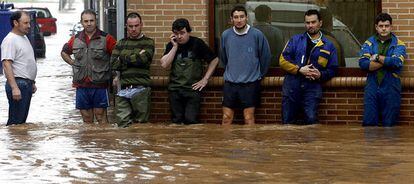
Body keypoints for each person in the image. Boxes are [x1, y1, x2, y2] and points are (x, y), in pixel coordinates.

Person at [280, 9, 338, 125]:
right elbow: (282, 61)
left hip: (312, 89)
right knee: (287, 124)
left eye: (313, 22)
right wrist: (299, 69)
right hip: (292, 87)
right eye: (307, 23)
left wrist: (320, 75)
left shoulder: (328, 45)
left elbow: (333, 69)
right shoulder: (295, 40)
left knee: (311, 122)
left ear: (320, 23)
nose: (310, 25)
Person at [61, 9, 116, 124]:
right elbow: (64, 52)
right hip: (81, 84)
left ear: (96, 21)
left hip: (100, 84)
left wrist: (115, 75)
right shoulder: (75, 39)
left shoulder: (106, 38)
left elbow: (117, 56)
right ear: (82, 23)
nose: (89, 23)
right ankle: (89, 141)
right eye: (86, 21)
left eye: (91, 20)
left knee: (101, 116)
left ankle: (102, 141)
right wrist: (73, 63)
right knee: (86, 119)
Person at [160, 18, 219, 124]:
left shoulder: (197, 43)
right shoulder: (171, 45)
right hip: (175, 90)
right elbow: (164, 64)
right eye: (176, 33)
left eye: (182, 33)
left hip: (192, 90)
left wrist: (205, 79)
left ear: (188, 31)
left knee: (190, 121)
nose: (179, 36)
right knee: (176, 122)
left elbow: (214, 60)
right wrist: (174, 47)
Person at [220, 5, 271, 125]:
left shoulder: (257, 35)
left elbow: (266, 57)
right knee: (226, 117)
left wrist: (259, 75)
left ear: (247, 18)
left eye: (241, 17)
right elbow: (223, 57)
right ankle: (224, 144)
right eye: (236, 17)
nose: (239, 20)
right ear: (231, 19)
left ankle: (249, 144)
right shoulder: (225, 35)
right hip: (230, 83)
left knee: (248, 118)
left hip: (250, 83)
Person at [358, 13, 406, 126]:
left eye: (386, 25)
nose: (384, 28)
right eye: (381, 26)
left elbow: (397, 63)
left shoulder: (399, 44)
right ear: (376, 27)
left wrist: (377, 57)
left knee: (390, 126)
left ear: (391, 27)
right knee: (369, 124)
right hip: (372, 85)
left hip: (391, 86)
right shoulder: (368, 43)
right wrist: (387, 61)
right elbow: (363, 64)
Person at [110, 12, 154, 127]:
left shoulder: (148, 42)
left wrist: (123, 58)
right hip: (123, 89)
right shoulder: (121, 43)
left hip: (141, 90)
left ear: (141, 25)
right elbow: (114, 64)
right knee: (122, 126)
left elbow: (143, 60)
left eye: (136, 25)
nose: (133, 29)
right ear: (126, 26)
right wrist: (135, 56)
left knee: (141, 126)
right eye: (130, 26)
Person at [1, 11, 37, 126]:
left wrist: (32, 82)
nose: (29, 26)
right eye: (25, 23)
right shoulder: (10, 40)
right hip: (18, 84)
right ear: (15, 23)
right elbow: (6, 64)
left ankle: (18, 143)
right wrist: (14, 88)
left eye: (29, 23)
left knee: (20, 124)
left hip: (25, 84)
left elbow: (25, 61)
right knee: (15, 124)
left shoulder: (23, 37)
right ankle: (13, 142)